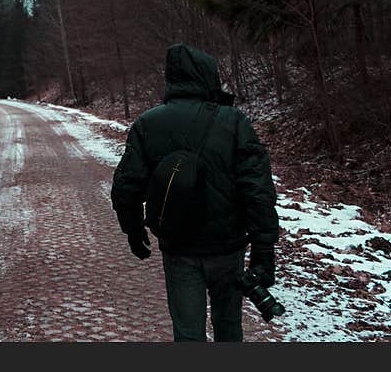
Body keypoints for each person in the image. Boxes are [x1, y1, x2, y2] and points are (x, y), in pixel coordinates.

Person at [111, 43, 279, 341]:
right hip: (228, 247)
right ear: (207, 77)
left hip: (179, 248)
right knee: (229, 328)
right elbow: (258, 189)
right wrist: (263, 250)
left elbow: (127, 186)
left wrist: (134, 230)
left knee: (188, 334)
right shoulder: (234, 121)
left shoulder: (147, 124)